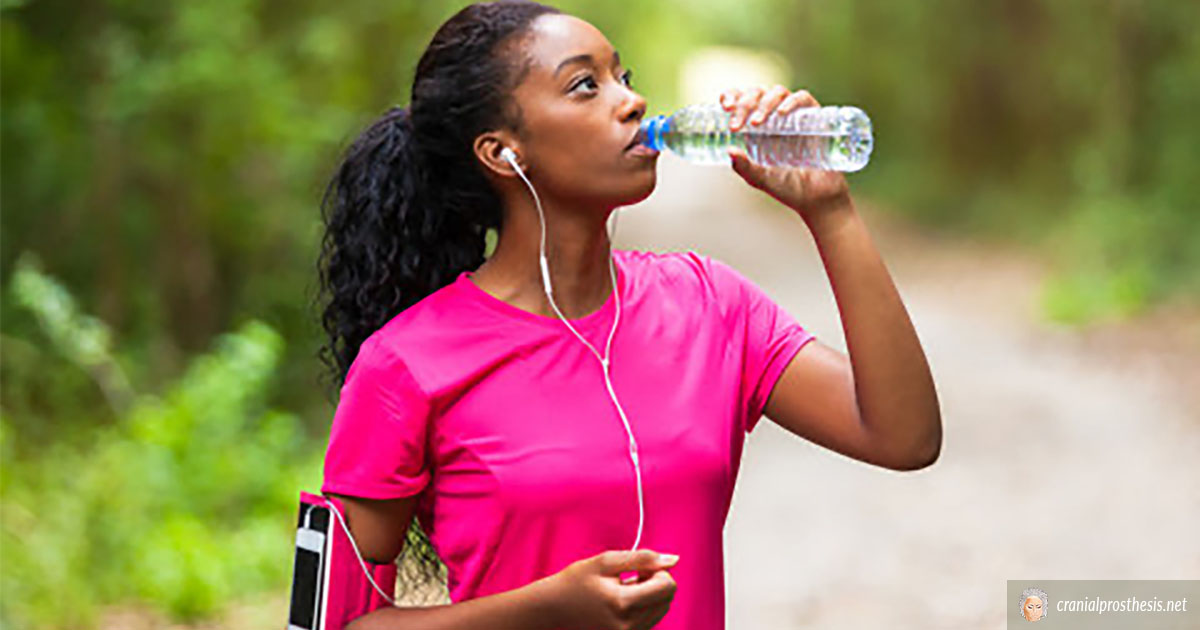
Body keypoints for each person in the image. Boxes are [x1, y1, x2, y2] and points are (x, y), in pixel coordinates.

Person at [313, 1, 942, 629]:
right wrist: (547, 609)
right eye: (585, 85)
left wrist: (830, 213)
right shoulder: (406, 364)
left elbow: (903, 437)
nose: (632, 102)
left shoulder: (709, 304)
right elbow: (339, 624)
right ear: (503, 153)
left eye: (624, 77)